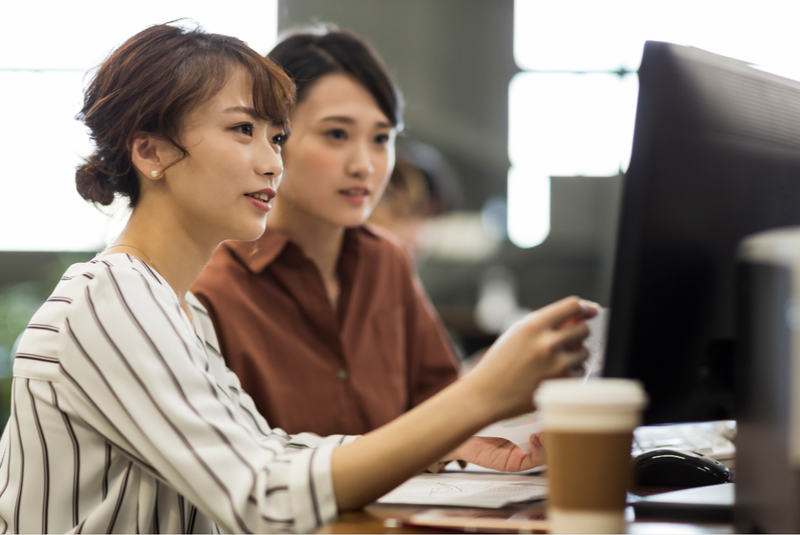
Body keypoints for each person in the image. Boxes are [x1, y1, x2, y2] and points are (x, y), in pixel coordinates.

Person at [0, 22, 595, 534]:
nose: (271, 162)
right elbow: (263, 497)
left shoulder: (180, 308)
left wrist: (449, 437)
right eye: (242, 131)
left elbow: (265, 452)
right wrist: (481, 394)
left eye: (276, 136)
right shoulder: (110, 298)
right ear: (150, 152)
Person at [192, 28, 461, 437]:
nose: (365, 166)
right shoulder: (213, 286)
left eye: (381, 139)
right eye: (337, 134)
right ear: (274, 137)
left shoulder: (385, 259)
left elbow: (444, 406)